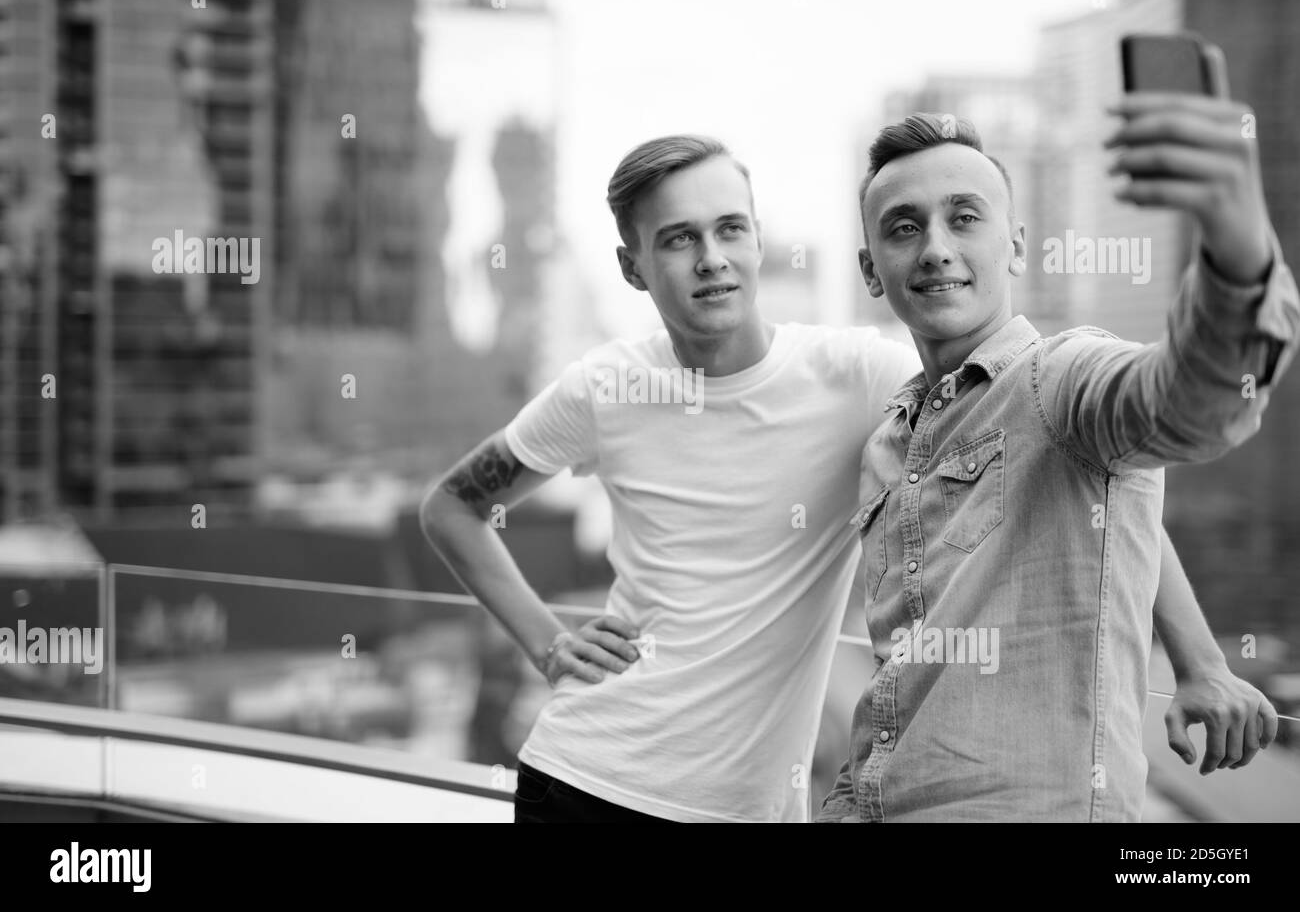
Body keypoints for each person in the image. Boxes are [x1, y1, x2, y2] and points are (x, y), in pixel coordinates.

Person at [421, 134, 1277, 823]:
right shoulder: (604, 386)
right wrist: (543, 638)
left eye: (730, 228)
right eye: (678, 239)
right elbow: (455, 506)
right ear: (633, 266)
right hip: (582, 774)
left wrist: (1199, 659)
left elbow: (1098, 468)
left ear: (760, 239)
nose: (712, 258)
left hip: (752, 805)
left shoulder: (862, 377)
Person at [819, 88, 1298, 821]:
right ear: (870, 268)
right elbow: (1107, 510)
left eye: (965, 217)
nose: (937, 246)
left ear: (1014, 244)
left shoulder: (1063, 378)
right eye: (904, 227)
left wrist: (1236, 246)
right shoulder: (888, 439)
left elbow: (1187, 400)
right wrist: (1200, 657)